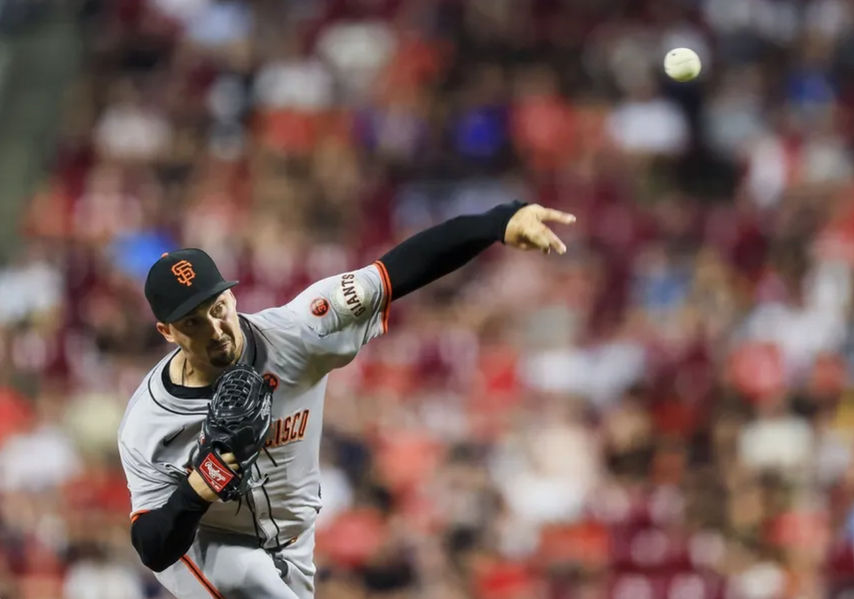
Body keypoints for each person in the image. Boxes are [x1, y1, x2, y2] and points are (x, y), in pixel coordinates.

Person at [117, 201, 576, 598]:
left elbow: (400, 269)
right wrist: (207, 478)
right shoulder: (150, 422)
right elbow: (154, 547)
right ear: (167, 332)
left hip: (294, 540)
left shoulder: (300, 330)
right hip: (207, 541)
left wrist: (498, 221)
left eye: (218, 308)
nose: (216, 330)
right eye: (194, 322)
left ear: (232, 298)